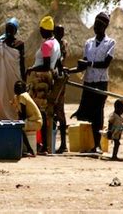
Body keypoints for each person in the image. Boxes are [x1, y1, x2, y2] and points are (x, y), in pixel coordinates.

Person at [69, 12, 115, 153]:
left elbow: (105, 64)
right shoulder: (88, 43)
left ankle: (97, 145)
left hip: (100, 82)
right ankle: (90, 144)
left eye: (99, 25)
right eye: (95, 24)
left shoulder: (110, 43)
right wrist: (69, 71)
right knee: (87, 113)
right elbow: (83, 65)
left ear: (105, 26)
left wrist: (89, 63)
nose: (96, 27)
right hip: (88, 81)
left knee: (98, 112)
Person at [27, 16, 61, 154]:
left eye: (41, 29)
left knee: (38, 111)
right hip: (49, 78)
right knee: (45, 112)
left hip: (42, 80)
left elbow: (46, 65)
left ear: (44, 30)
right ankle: (45, 145)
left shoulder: (47, 45)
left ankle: (44, 145)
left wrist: (32, 69)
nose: (40, 31)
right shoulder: (56, 43)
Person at [13, 80, 42, 157]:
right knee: (18, 125)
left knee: (19, 128)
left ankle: (30, 149)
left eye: (19, 87)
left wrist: (17, 122)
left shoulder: (23, 95)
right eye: (16, 87)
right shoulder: (17, 97)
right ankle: (33, 146)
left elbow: (23, 114)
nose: (17, 88)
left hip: (36, 121)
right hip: (31, 120)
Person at [53, 24, 69, 153]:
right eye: (58, 31)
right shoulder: (52, 43)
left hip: (58, 81)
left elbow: (62, 58)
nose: (60, 34)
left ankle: (63, 143)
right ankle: (50, 142)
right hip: (50, 80)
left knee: (59, 111)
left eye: (61, 32)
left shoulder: (62, 44)